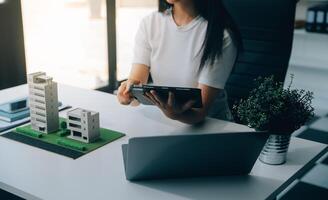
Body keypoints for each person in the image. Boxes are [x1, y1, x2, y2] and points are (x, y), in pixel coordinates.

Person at [117, 0, 241, 124]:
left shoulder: (222, 35)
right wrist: (129, 91)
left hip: (213, 127)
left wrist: (174, 115)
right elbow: (137, 80)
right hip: (165, 122)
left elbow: (198, 113)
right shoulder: (150, 23)